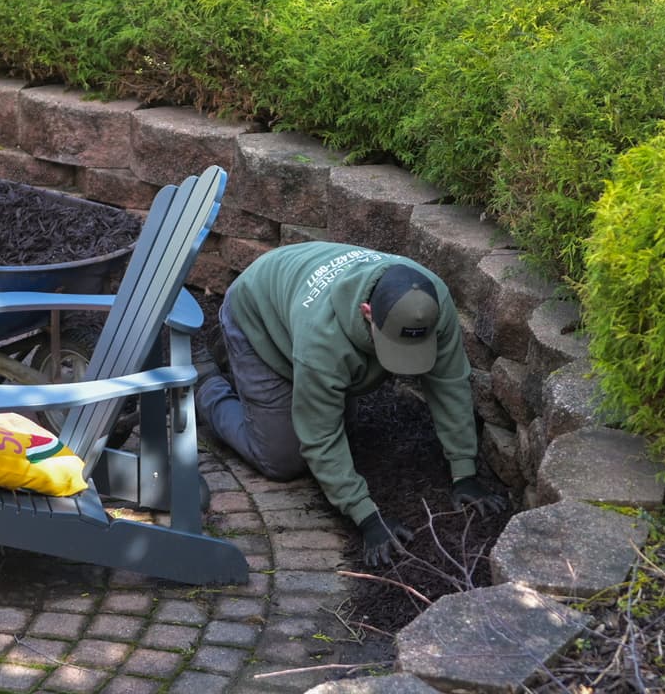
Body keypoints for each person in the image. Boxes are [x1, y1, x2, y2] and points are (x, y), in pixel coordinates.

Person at [196, 241, 506, 567]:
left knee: (342, 423)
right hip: (257, 312)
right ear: (367, 312)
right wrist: (366, 517)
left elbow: (450, 384)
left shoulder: (431, 301)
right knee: (283, 458)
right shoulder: (321, 338)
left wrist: (465, 473)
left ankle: (239, 368)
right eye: (393, 347)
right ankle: (206, 381)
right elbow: (320, 437)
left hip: (295, 300)